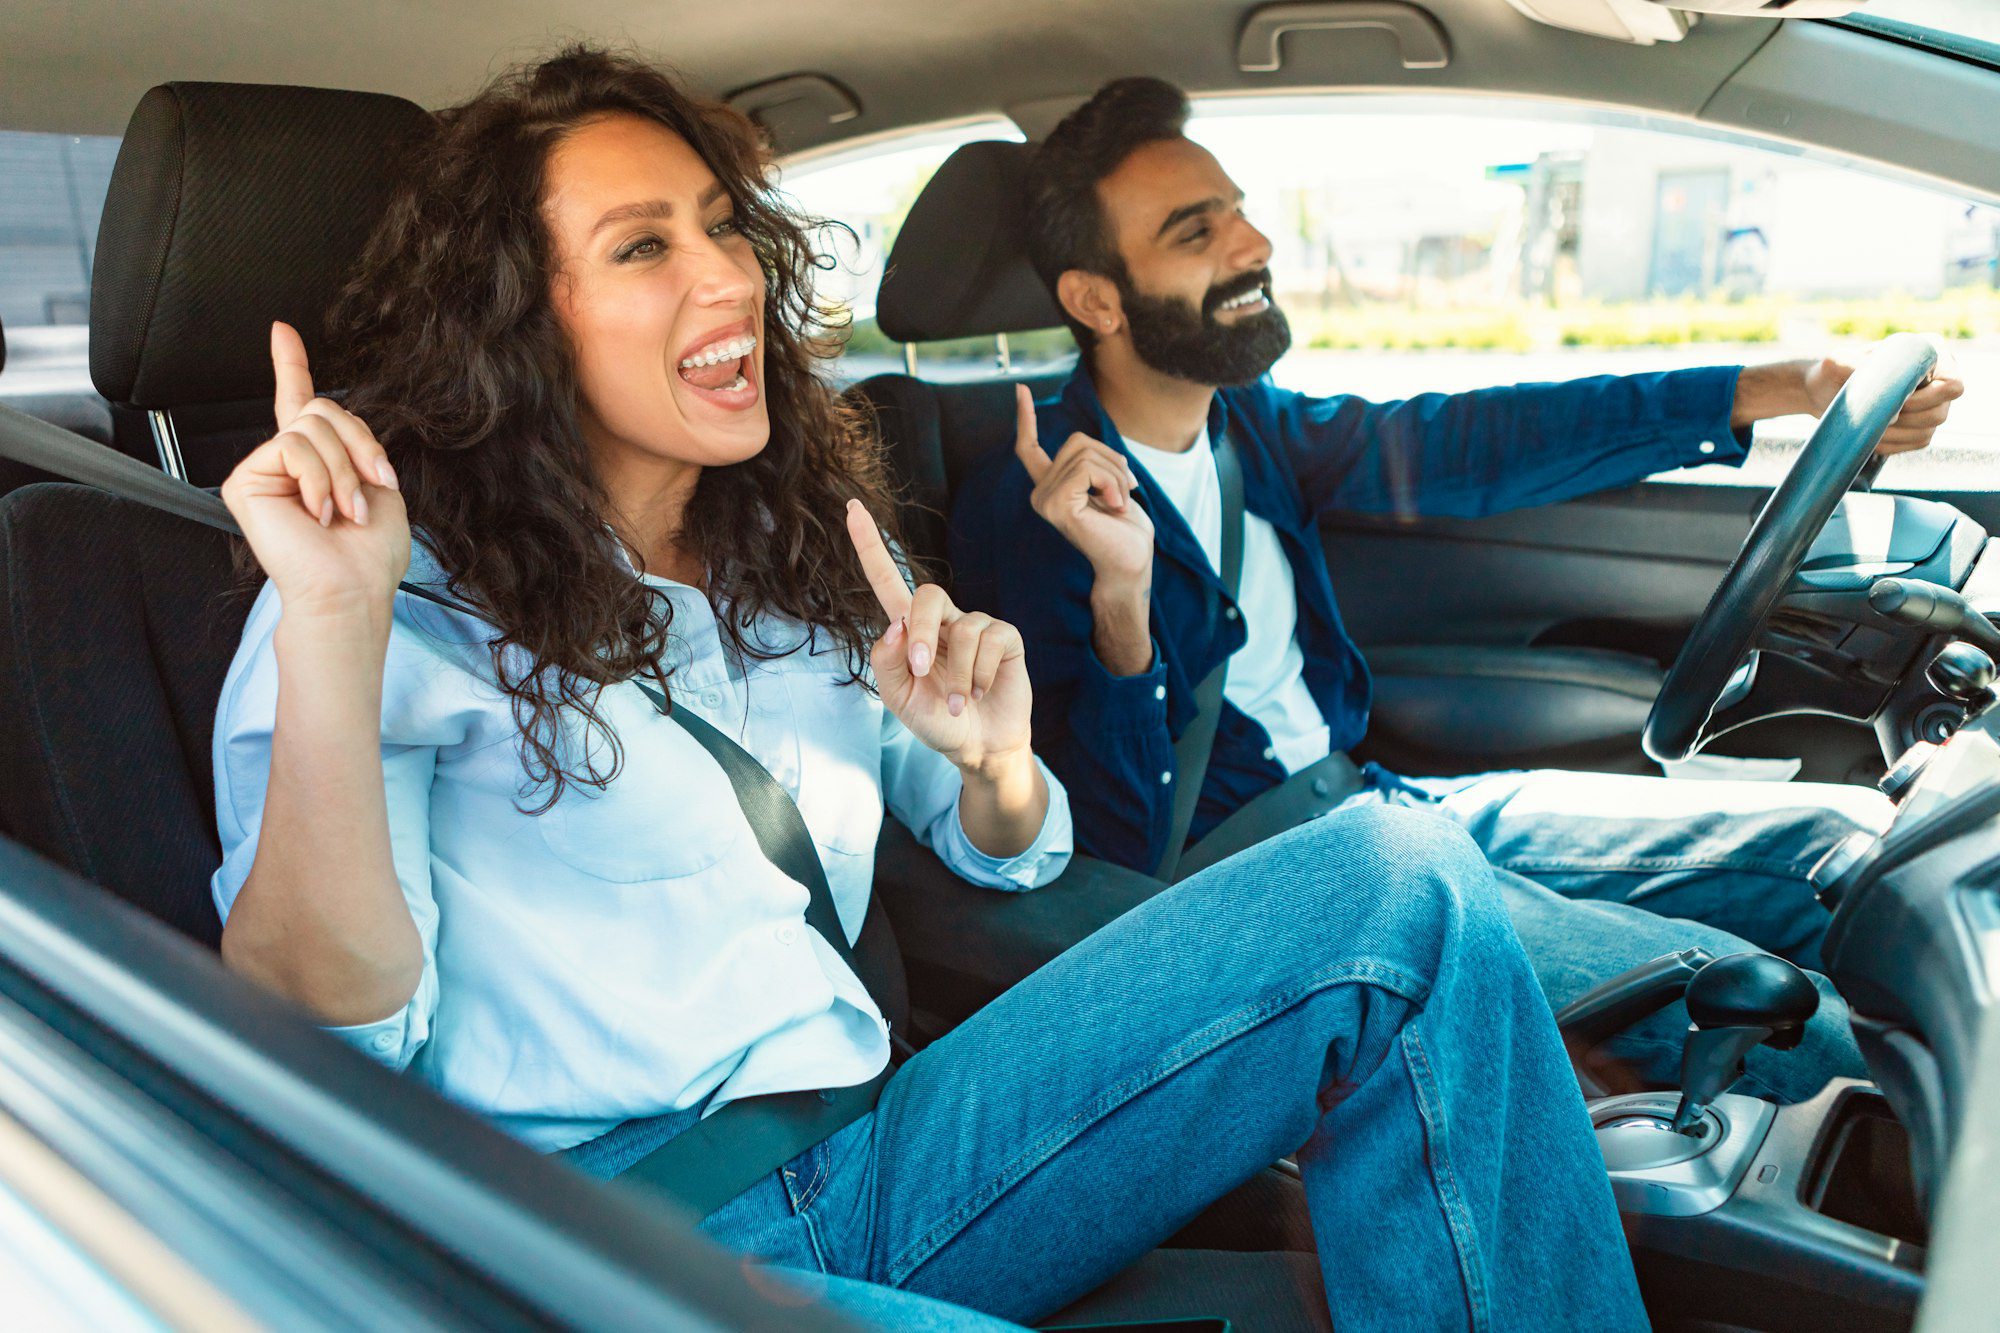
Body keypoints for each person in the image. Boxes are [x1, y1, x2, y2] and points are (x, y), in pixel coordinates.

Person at [208, 47, 1649, 1332]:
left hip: (891, 1145)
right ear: (515, 318)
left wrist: (998, 765)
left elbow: (1001, 857)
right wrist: (335, 626)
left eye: (723, 225)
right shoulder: (377, 601)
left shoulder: (803, 548)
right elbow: (325, 1028)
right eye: (645, 246)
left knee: (1401, 879)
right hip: (635, 1239)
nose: (728, 277)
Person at [951, 77, 1966, 1104]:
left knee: (1843, 850)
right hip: (1273, 890)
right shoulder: (1026, 511)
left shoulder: (1247, 424)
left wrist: (1778, 388)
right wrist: (1120, 602)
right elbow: (1107, 847)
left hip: (1375, 806)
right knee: (1789, 1024)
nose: (1252, 244)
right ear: (1095, 299)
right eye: (1194, 231)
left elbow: (1476, 436)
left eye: (1240, 211)